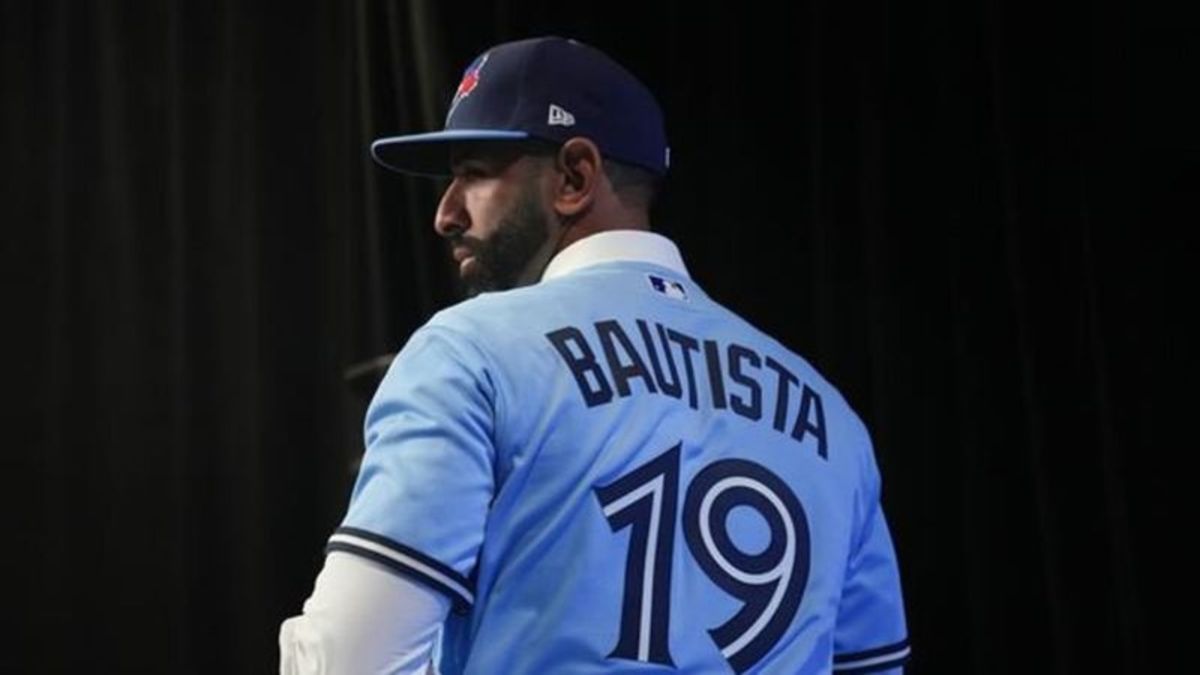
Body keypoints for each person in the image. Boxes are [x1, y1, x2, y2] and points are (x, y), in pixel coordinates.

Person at [279, 36, 910, 675]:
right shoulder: (830, 418)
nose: (445, 213)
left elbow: (350, 659)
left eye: (474, 173)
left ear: (576, 176)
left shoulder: (469, 353)